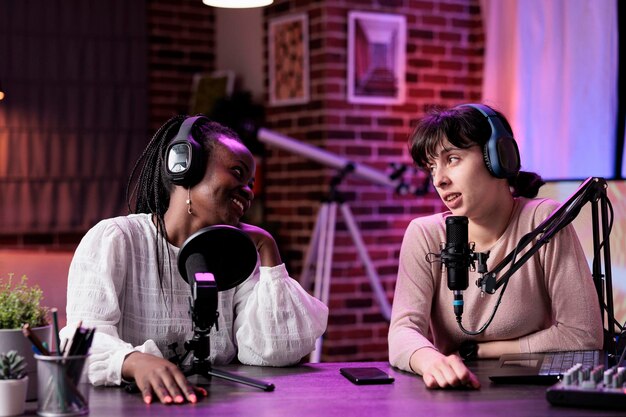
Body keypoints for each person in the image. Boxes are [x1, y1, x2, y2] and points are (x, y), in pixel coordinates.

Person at [60, 115, 329, 404]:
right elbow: (80, 342)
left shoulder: (234, 257)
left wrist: (266, 246)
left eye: (251, 182)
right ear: (185, 167)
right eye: (237, 172)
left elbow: (274, 350)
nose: (249, 191)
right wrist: (134, 361)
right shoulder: (116, 239)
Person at [388, 103, 603, 390]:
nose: (439, 180)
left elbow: (583, 333)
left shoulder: (542, 221)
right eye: (431, 168)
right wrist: (431, 361)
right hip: (457, 391)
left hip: (533, 394)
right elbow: (402, 331)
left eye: (452, 159)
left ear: (497, 157)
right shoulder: (425, 234)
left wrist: (480, 351)